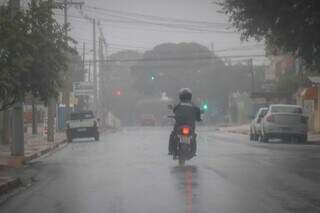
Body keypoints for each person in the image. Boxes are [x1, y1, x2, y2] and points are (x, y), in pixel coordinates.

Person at [168, 88, 201, 157]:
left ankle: (171, 150)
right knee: (193, 136)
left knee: (173, 135)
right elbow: (198, 112)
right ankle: (194, 152)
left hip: (179, 124)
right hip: (190, 125)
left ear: (180, 96)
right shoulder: (193, 105)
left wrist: (175, 115)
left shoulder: (179, 104)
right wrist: (199, 118)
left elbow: (174, 110)